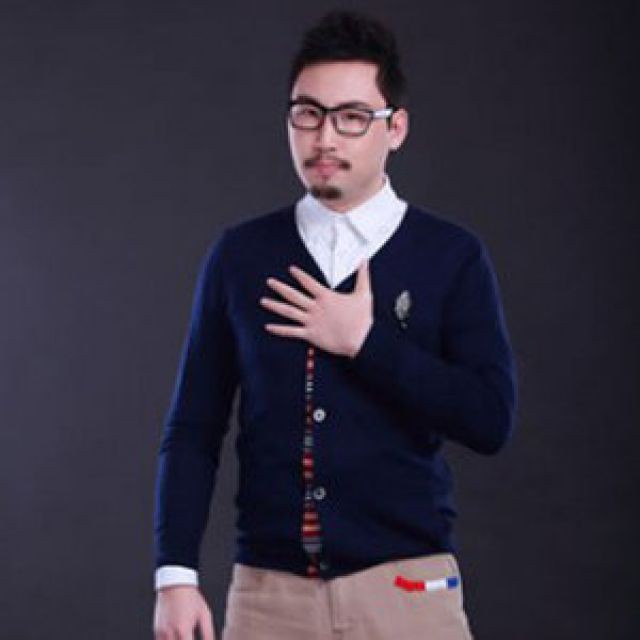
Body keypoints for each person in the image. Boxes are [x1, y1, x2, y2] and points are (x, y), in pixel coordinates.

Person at [152, 9, 517, 640]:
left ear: (394, 128)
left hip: (409, 592)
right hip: (268, 598)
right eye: (308, 113)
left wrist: (366, 343)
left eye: (351, 117)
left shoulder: (450, 255)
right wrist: (175, 576)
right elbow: (193, 428)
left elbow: (490, 419)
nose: (325, 138)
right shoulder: (241, 255)